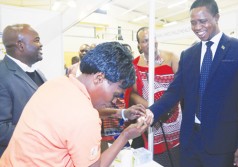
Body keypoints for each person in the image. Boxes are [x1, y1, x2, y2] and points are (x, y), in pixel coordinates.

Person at [0, 42, 153, 166]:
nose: (114, 101)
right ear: (99, 78)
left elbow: (70, 118)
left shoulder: (56, 84)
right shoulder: (85, 117)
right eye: (116, 95)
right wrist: (125, 136)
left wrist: (122, 113)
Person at [148, 0, 238, 166]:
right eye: (193, 23)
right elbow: (174, 92)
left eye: (203, 21)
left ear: (216, 17)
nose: (197, 27)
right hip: (190, 141)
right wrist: (151, 113)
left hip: (222, 143)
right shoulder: (188, 54)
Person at [124, 27, 182, 167]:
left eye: (152, 38)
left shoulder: (171, 58)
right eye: (145, 41)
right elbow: (133, 94)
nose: (150, 43)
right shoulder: (135, 65)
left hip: (173, 117)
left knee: (176, 155)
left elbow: (182, 86)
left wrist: (165, 106)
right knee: (155, 157)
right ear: (139, 45)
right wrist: (154, 108)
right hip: (150, 117)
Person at [0, 24, 46, 156]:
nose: (41, 44)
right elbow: (1, 129)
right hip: (17, 157)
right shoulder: (2, 75)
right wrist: (42, 133)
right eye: (36, 40)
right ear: (21, 45)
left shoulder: (37, 72)